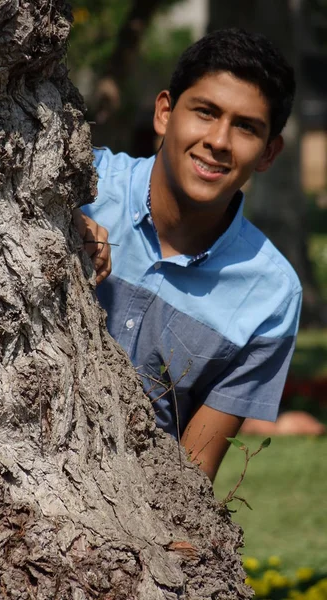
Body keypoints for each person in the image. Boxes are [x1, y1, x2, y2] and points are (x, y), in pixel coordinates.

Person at [74, 28, 302, 482]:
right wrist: (59, 224)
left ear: (268, 153)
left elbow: (190, 479)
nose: (219, 140)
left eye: (246, 127)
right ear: (165, 113)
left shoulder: (270, 295)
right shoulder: (78, 182)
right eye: (205, 112)